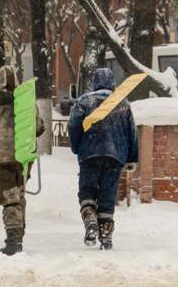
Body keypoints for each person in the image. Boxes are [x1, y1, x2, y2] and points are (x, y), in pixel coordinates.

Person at [0, 66, 45, 256]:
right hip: (24, 156)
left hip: (1, 158)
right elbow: (39, 127)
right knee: (18, 195)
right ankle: (19, 234)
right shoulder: (26, 102)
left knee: (9, 198)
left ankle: (13, 241)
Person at [67, 68, 138, 250]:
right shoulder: (123, 103)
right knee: (107, 195)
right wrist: (132, 158)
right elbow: (132, 132)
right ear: (113, 83)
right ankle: (105, 235)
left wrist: (76, 147)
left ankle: (90, 218)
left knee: (87, 190)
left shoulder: (85, 101)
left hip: (89, 155)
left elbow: (74, 125)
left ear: (95, 82)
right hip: (115, 157)